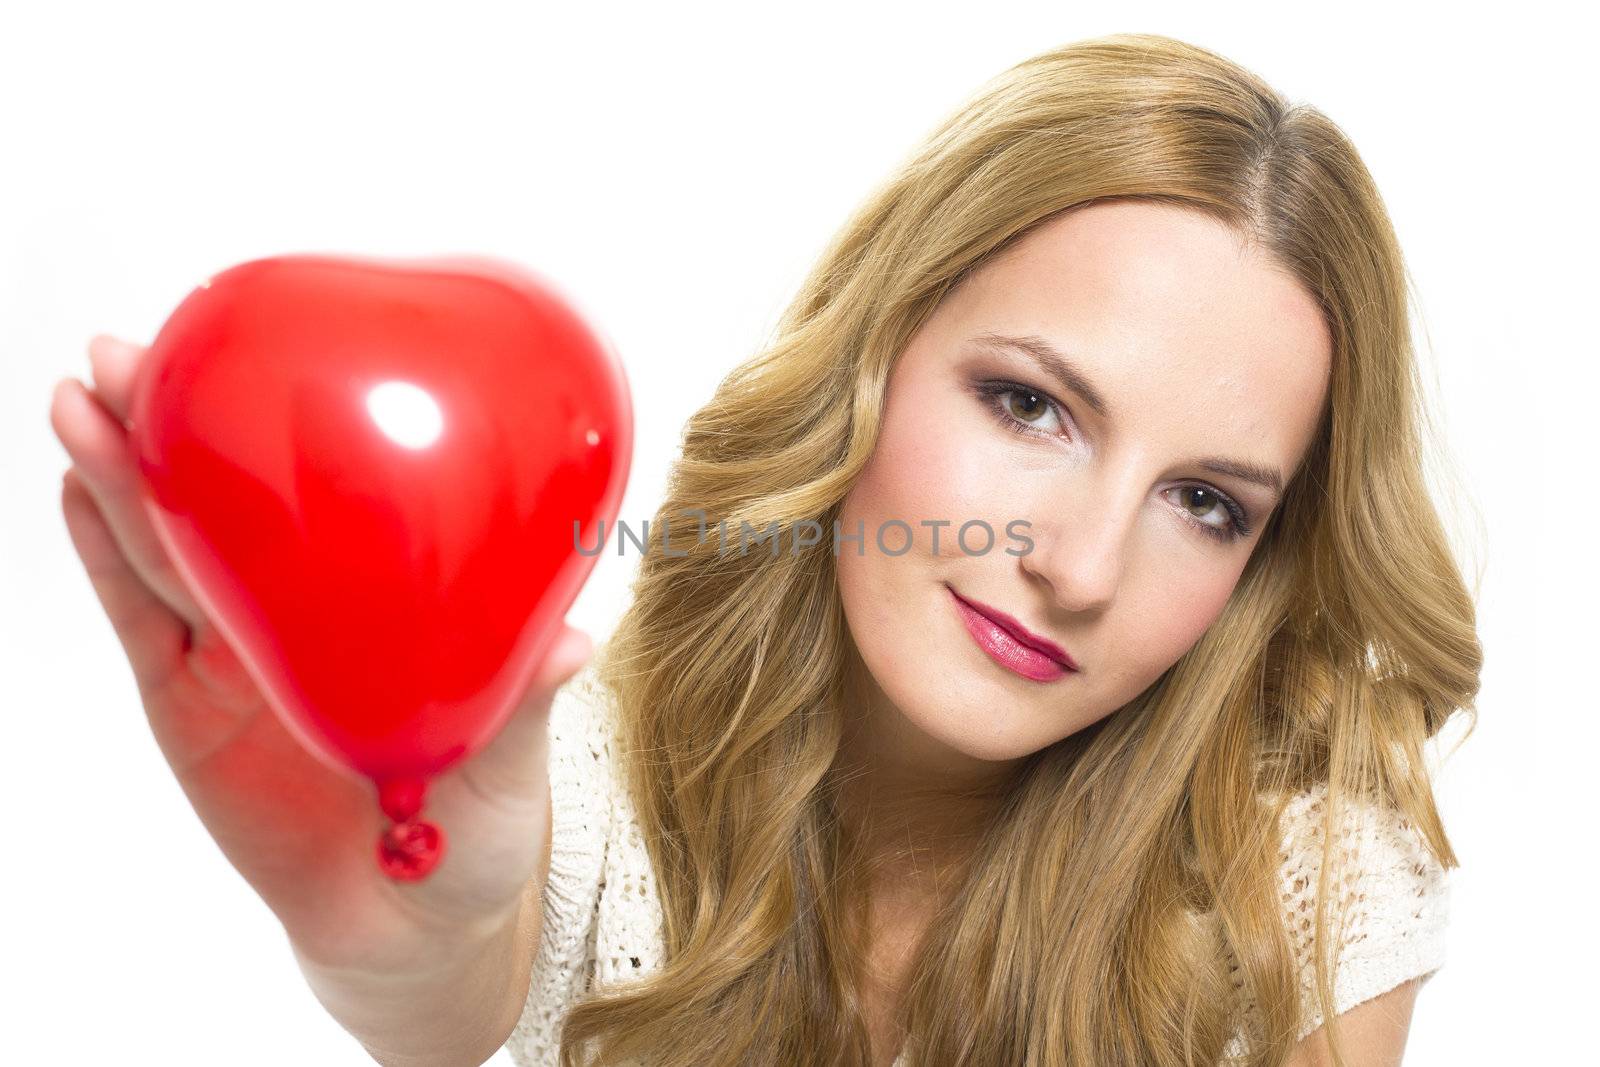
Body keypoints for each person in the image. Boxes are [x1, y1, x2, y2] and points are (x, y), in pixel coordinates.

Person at [51, 31, 1479, 1067]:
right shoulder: (583, 801)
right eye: (1030, 405)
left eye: (1208, 504)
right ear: (874, 352)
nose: (1084, 568)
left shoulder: (1301, 881)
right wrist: (402, 959)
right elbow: (451, 986)